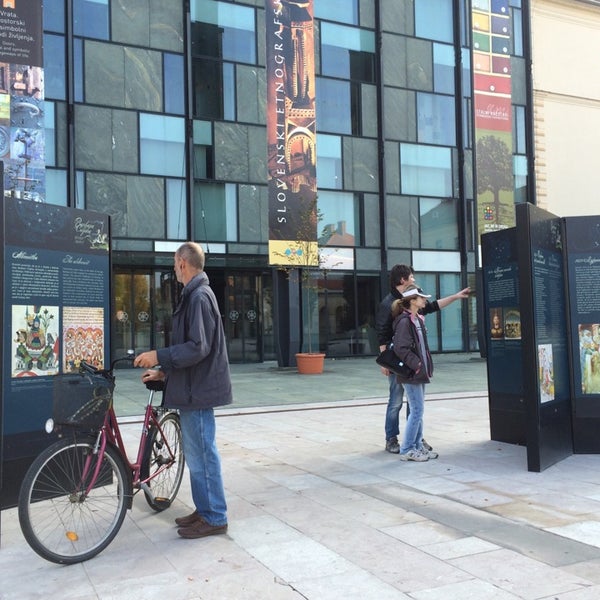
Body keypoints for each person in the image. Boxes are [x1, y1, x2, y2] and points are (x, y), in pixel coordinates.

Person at [134, 242, 232, 539]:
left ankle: (215, 516)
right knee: (197, 454)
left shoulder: (199, 296)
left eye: (174, 263)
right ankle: (205, 510)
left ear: (182, 263)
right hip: (192, 388)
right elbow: (192, 348)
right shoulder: (194, 295)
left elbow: (197, 347)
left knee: (203, 454)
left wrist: (159, 356)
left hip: (198, 391)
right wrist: (164, 371)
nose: (173, 268)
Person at [375, 264, 470, 454]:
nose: (414, 280)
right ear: (402, 280)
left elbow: (433, 306)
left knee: (414, 402)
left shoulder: (413, 301)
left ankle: (415, 438)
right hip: (398, 361)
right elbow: (382, 333)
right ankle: (391, 438)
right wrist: (384, 362)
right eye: (411, 277)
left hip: (413, 362)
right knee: (396, 401)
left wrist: (454, 297)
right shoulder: (389, 304)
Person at [391, 285, 435, 461]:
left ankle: (417, 446)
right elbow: (401, 348)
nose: (425, 300)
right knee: (416, 410)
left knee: (418, 410)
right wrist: (416, 365)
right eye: (422, 298)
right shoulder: (404, 321)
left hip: (419, 372)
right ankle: (407, 448)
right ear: (413, 301)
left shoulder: (417, 319)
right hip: (412, 373)